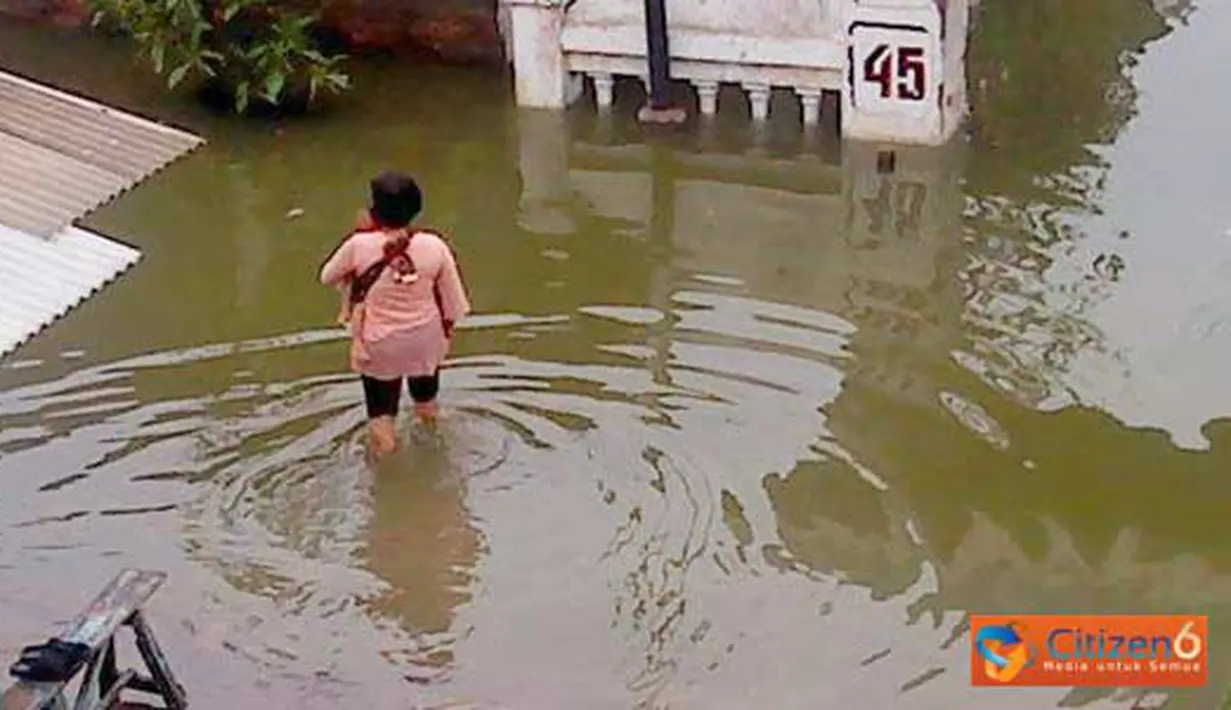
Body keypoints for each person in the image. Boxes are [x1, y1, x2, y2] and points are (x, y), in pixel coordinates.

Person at [319, 172, 472, 458]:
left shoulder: (358, 246)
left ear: (374, 210)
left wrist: (361, 238)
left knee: (382, 417)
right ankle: (433, 451)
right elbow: (454, 302)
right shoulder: (434, 246)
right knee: (427, 404)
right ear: (416, 208)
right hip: (424, 339)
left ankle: (386, 473)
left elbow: (327, 276)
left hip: (379, 343)